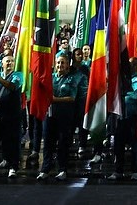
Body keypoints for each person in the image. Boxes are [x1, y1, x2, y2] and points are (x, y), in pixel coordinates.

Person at [39, 51, 86, 180]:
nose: (60, 65)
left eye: (63, 63)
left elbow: (72, 97)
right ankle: (45, 169)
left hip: (65, 115)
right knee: (48, 143)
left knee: (63, 143)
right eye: (58, 62)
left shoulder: (72, 78)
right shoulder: (50, 77)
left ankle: (62, 169)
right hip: (49, 115)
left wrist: (54, 99)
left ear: (67, 65)